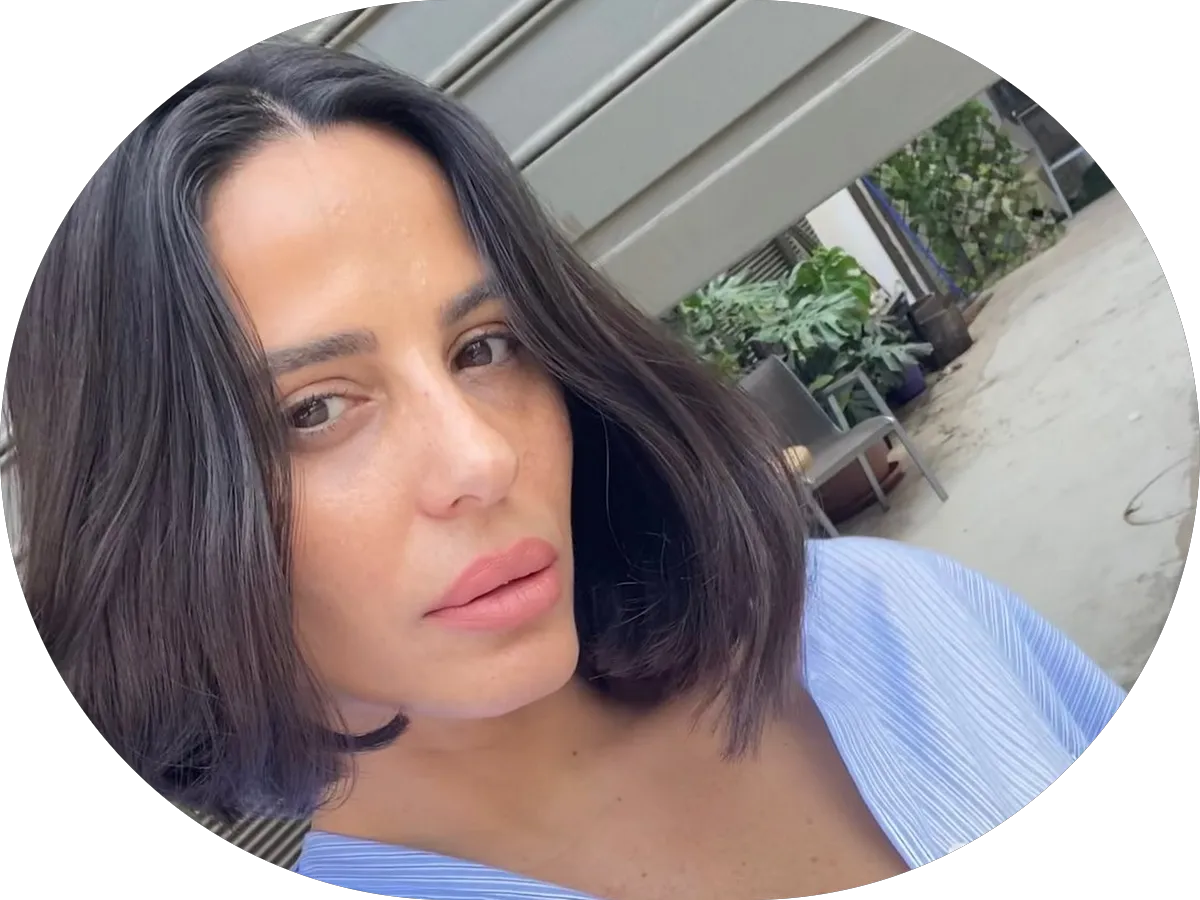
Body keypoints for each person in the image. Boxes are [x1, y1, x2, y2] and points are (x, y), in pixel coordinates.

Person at [4, 43, 1125, 900]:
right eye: (315, 410)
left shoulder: (900, 622)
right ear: (154, 518)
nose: (482, 458)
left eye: (485, 347)